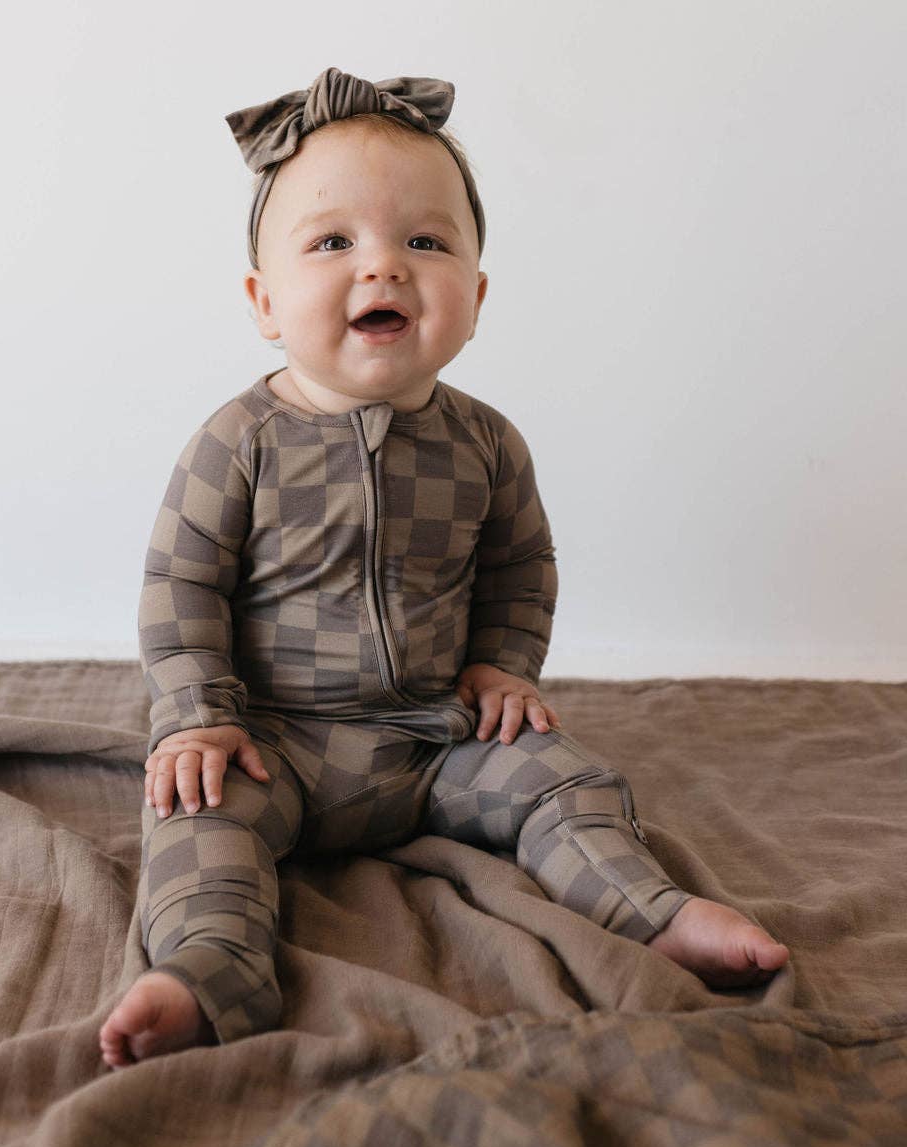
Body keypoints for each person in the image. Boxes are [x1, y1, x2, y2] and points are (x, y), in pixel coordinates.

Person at [99, 67, 788, 1069]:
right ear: (264, 300)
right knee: (195, 819)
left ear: (477, 296)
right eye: (332, 243)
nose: (383, 266)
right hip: (273, 740)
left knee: (567, 780)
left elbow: (521, 565)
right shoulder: (237, 442)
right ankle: (207, 968)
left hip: (438, 737)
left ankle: (651, 910)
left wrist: (504, 666)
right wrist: (201, 714)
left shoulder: (486, 445)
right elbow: (180, 585)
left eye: (425, 242)